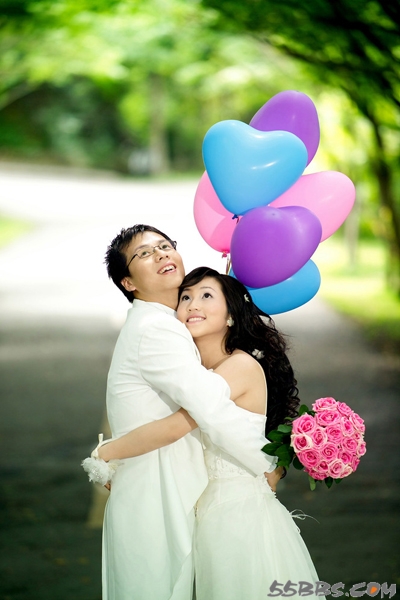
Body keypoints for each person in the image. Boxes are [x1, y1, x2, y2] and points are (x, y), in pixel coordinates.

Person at [94, 266, 323, 600]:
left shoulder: (238, 366)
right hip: (206, 517)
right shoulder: (197, 375)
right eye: (185, 297)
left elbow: (175, 427)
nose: (193, 305)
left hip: (238, 517)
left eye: (206, 296)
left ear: (231, 314)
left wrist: (106, 454)